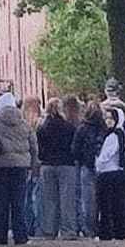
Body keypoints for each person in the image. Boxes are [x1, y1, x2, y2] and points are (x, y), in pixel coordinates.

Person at [0, 91, 34, 245]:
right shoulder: (24, 123)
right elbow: (33, 146)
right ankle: (21, 235)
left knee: (0, 203)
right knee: (18, 202)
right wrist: (31, 165)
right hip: (21, 166)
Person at [37, 96, 80, 239]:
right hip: (66, 164)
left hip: (47, 164)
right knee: (67, 199)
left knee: (49, 199)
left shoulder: (42, 128)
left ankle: (49, 230)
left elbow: (39, 147)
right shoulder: (69, 127)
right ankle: (68, 230)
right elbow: (73, 147)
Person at [94, 105, 125, 240]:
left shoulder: (115, 135)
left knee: (108, 204)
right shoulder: (116, 134)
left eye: (111, 118)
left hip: (109, 172)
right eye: (106, 118)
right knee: (114, 203)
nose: (108, 121)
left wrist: (97, 163)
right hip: (114, 172)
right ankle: (117, 230)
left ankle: (108, 231)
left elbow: (106, 155)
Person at [72, 96, 104, 238]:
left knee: (87, 199)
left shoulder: (82, 128)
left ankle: (89, 228)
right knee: (102, 198)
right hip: (103, 166)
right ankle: (102, 225)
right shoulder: (105, 127)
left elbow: (75, 149)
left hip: (86, 165)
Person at [22, 98, 44, 237]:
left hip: (24, 163)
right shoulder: (41, 124)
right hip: (38, 163)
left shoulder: (21, 124)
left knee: (25, 197)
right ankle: (38, 225)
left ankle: (26, 225)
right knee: (38, 196)